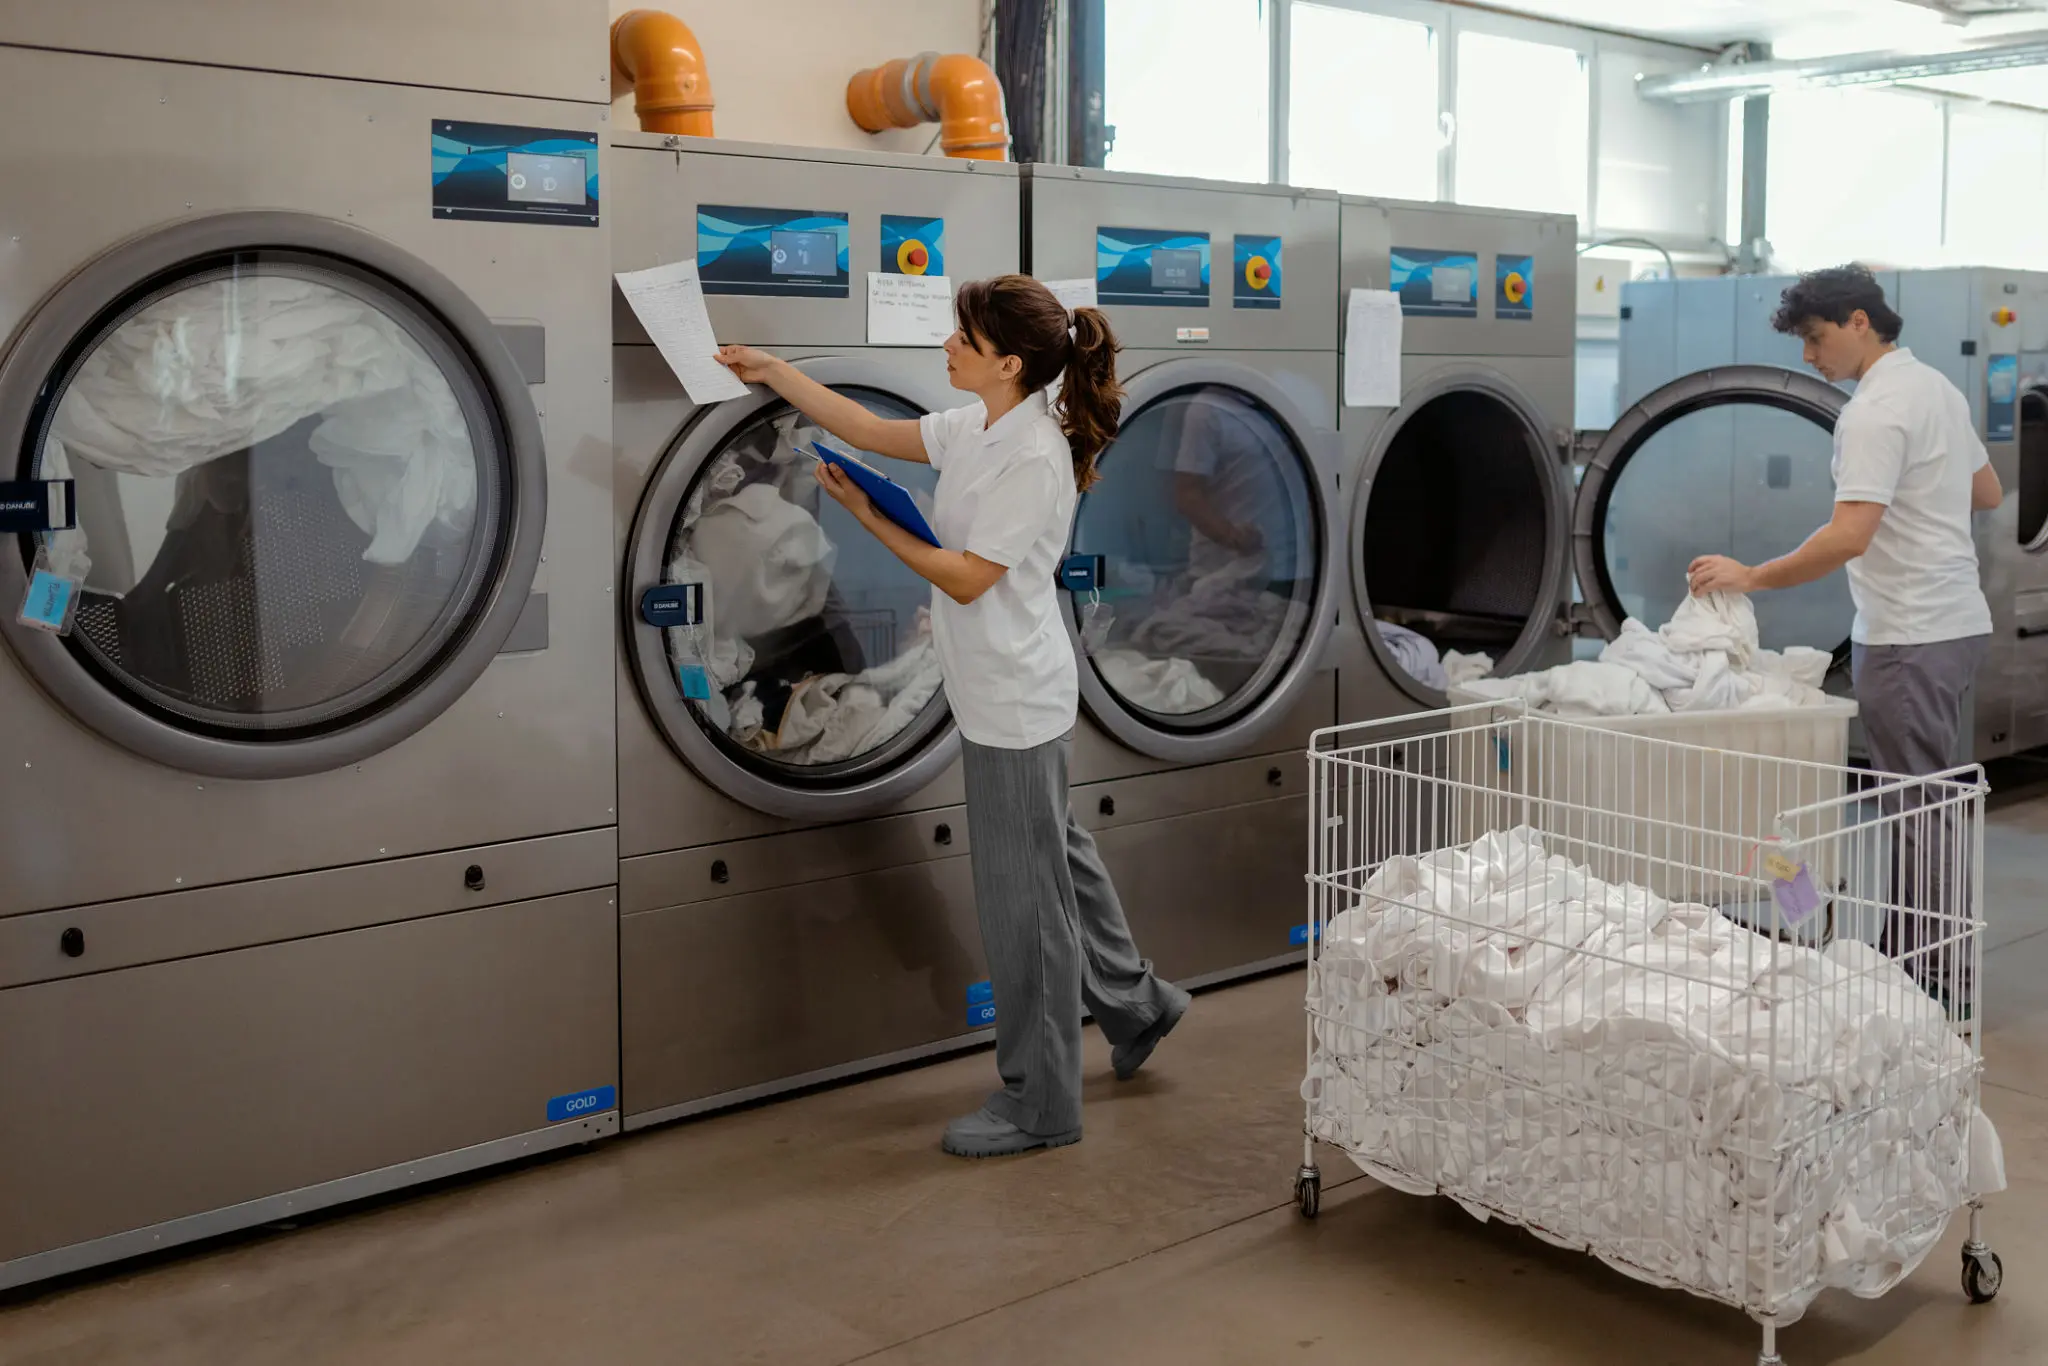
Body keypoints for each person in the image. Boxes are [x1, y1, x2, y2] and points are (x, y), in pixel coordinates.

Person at [716, 275, 1190, 1157]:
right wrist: (775, 369)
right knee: (1061, 861)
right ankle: (1138, 1003)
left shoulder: (1033, 455)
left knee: (1026, 910)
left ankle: (1041, 1101)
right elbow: (870, 429)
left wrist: (869, 519)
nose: (947, 347)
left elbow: (970, 576)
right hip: (1000, 685)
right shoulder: (979, 425)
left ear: (1008, 363)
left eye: (963, 341)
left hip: (1014, 701)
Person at [1688, 264, 2001, 1008]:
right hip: (1957, 626)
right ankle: (1914, 962)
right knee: (1929, 804)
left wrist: (1751, 576)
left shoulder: (1873, 411)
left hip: (1906, 634)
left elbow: (1849, 536)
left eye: (1816, 338)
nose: (1809, 357)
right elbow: (1985, 491)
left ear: (1860, 321)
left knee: (1917, 812)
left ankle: (1934, 985)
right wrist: (1921, 499)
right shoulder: (1935, 388)